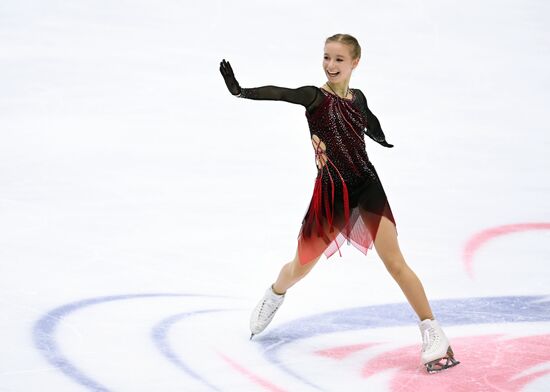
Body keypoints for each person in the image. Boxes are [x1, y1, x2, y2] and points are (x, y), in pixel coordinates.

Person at [219, 33, 459, 373]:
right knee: (300, 266)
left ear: (355, 63)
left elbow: (367, 118)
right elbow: (281, 94)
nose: (331, 65)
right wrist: (241, 91)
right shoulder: (314, 97)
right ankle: (275, 293)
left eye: (339, 59)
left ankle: (433, 331)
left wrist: (380, 137)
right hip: (332, 193)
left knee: (396, 262)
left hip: (367, 185)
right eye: (327, 57)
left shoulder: (357, 97)